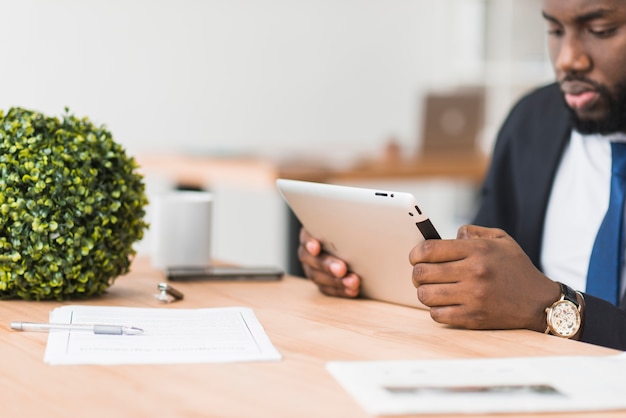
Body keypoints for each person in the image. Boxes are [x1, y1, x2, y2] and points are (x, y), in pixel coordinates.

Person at [298, 0, 626, 351]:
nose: (567, 59)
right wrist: (360, 271)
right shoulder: (532, 121)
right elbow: (486, 276)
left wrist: (550, 305)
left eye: (600, 31)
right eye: (555, 31)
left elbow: (528, 300)